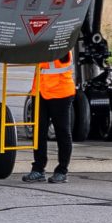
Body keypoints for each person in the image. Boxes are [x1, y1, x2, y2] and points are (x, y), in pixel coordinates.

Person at [24, 54, 76, 183]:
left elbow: (62, 59)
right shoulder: (41, 39)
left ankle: (62, 170)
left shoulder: (61, 39)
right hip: (40, 91)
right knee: (38, 132)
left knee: (62, 131)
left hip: (60, 91)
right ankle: (38, 169)